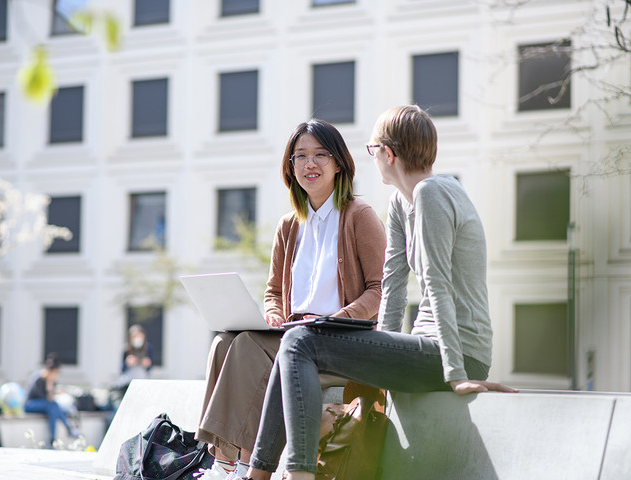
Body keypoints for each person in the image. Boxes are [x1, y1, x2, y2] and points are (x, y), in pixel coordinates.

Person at [244, 106, 518, 480]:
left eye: (373, 150)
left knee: (299, 342)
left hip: (456, 354)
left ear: (388, 154)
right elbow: (393, 286)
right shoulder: (401, 203)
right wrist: (377, 357)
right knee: (294, 346)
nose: (371, 159)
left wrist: (456, 374)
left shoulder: (433, 193)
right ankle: (256, 476)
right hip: (422, 351)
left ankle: (299, 474)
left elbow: (437, 283)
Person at [194, 119, 386, 480]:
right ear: (291, 166)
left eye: (319, 155)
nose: (309, 164)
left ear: (339, 163)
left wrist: (338, 319)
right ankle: (221, 461)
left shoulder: (360, 216)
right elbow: (274, 293)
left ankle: (249, 466)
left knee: (248, 347)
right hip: (294, 331)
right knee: (224, 342)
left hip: (342, 340)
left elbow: (381, 288)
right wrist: (273, 313)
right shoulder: (289, 225)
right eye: (300, 157)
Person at [24, 352, 79, 447]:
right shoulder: (39, 379)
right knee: (53, 405)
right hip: (30, 404)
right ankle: (67, 429)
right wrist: (50, 386)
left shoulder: (50, 380)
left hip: (44, 405)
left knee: (53, 409)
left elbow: (49, 398)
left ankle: (53, 439)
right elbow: (46, 398)